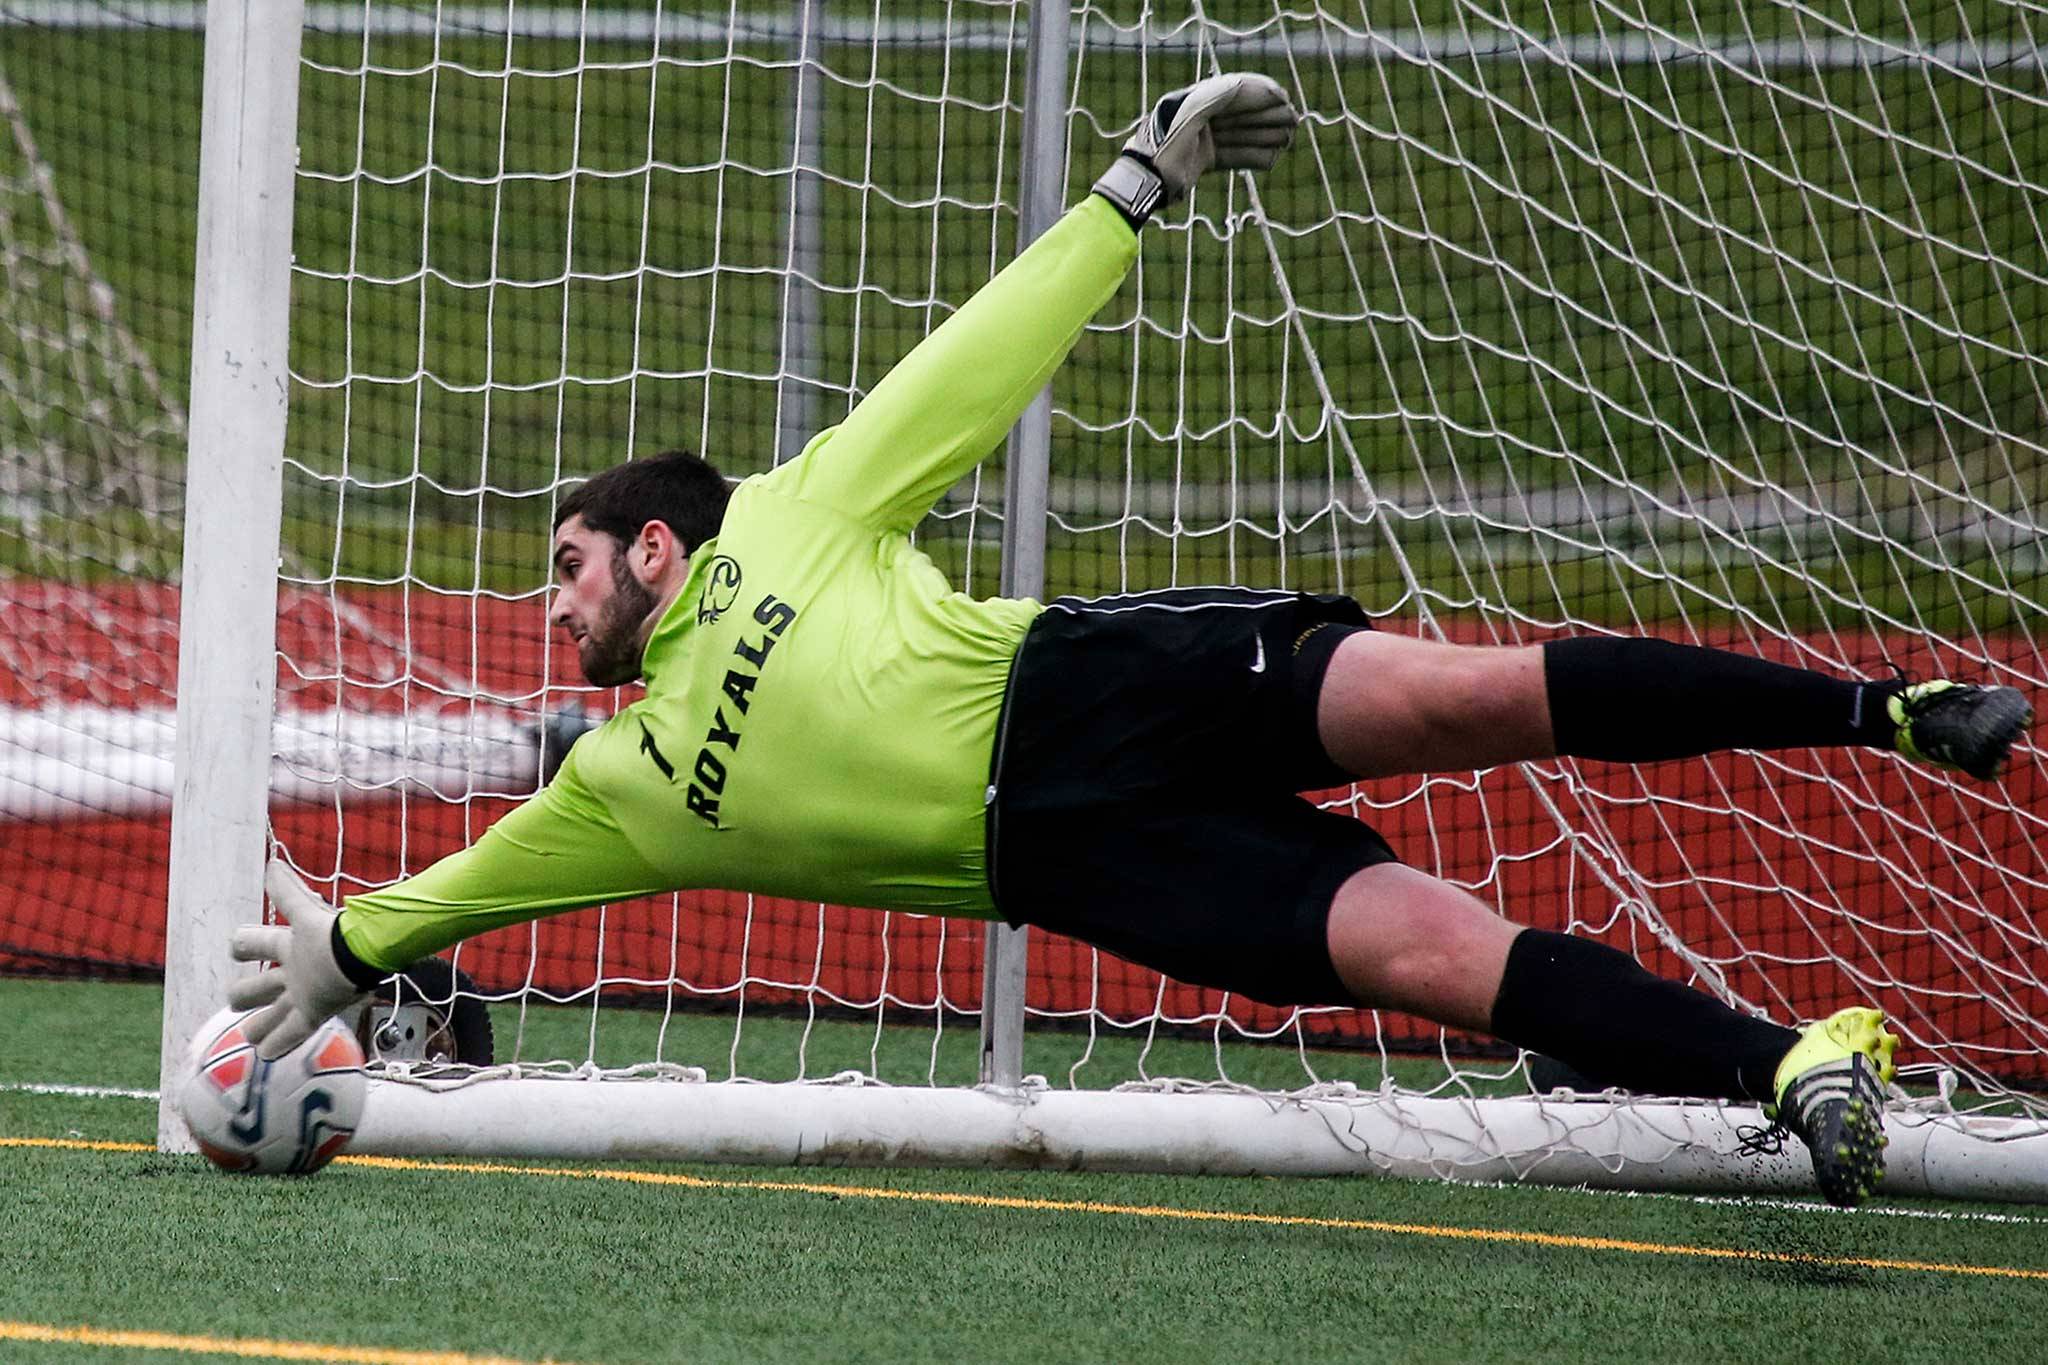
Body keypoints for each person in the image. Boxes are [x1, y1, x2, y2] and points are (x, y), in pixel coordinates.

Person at [229, 73, 2032, 1209]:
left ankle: (1881, 707)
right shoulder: (619, 785)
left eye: (563, 567)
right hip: (1082, 860)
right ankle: (1789, 1068)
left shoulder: (790, 509)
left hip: (1091, 676)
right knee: (1434, 958)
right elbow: (469, 892)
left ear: (650, 544)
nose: (549, 609)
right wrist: (343, 953)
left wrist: (1133, 188)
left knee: (1456, 696)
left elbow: (972, 358)